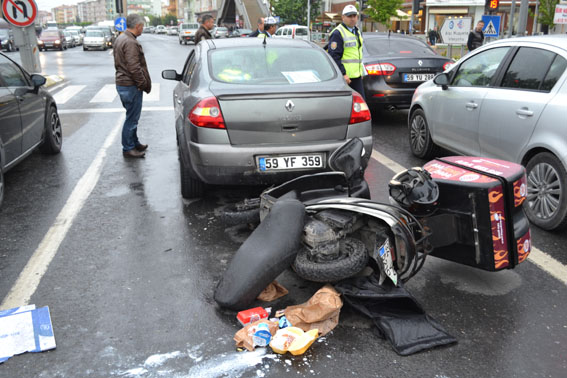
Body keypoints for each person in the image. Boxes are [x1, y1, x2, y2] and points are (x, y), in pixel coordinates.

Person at [113, 13, 151, 158]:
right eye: (142, 26)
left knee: (132, 116)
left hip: (124, 83)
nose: (143, 29)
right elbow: (134, 67)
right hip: (130, 85)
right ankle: (128, 148)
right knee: (132, 118)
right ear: (138, 26)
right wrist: (142, 84)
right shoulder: (130, 42)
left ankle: (134, 143)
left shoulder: (121, 38)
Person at [327, 5, 365, 99]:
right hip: (345, 78)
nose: (352, 19)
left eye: (354, 16)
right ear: (343, 17)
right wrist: (343, 74)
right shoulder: (338, 33)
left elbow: (357, 53)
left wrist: (361, 71)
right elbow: (334, 56)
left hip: (356, 76)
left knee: (359, 104)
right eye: (349, 16)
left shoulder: (356, 31)